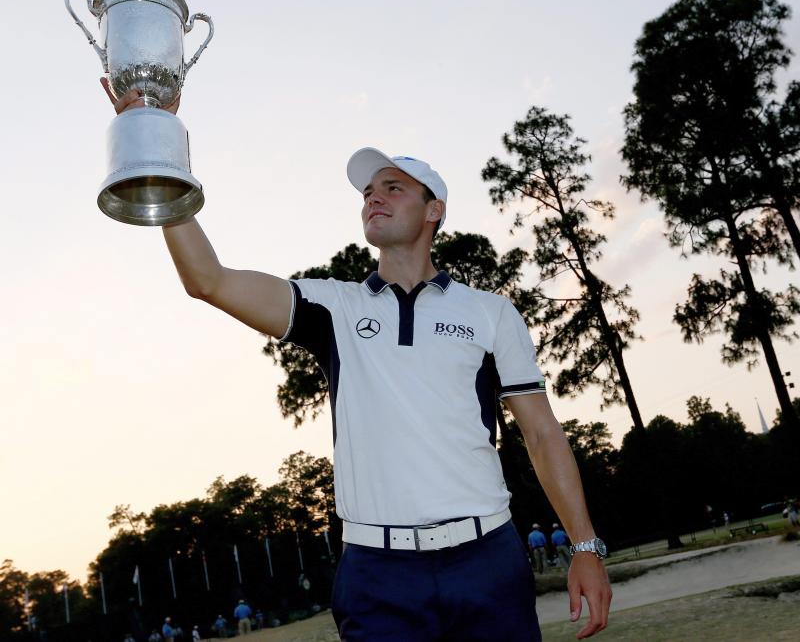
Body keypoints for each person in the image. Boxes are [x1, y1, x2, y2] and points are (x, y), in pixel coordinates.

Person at [102, 82, 612, 640]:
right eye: (369, 191)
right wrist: (151, 151)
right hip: (378, 574)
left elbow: (541, 433)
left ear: (433, 210)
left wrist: (583, 545)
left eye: (394, 188)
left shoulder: (491, 314)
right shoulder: (333, 306)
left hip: (485, 559)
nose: (374, 198)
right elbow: (209, 280)